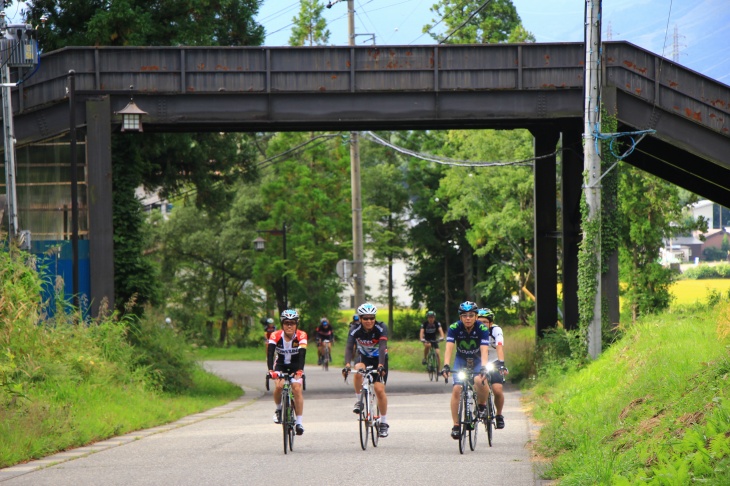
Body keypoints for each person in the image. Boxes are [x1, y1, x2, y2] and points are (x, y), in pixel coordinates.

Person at [440, 301, 491, 440]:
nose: (468, 318)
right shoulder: (454, 327)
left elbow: (484, 350)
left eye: (471, 315)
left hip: (477, 360)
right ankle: (456, 425)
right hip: (461, 360)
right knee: (457, 388)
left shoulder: (482, 328)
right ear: (460, 317)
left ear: (476, 316)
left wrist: (484, 367)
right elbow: (449, 348)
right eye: (464, 315)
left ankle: (481, 405)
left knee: (479, 379)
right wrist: (446, 365)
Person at [342, 302, 390, 438]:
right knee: (357, 370)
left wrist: (380, 366)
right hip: (363, 357)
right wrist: (347, 364)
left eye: (371, 318)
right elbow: (349, 346)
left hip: (380, 359)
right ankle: (359, 400)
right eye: (365, 318)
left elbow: (382, 347)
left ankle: (384, 423)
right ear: (360, 319)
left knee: (379, 390)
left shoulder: (381, 328)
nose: (369, 321)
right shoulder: (354, 329)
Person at [267, 309, 308, 436]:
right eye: (286, 323)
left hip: (296, 365)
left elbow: (302, 355)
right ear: (282, 324)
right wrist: (271, 371)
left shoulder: (301, 335)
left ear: (297, 324)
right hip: (280, 365)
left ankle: (299, 422)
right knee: (279, 386)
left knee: (296, 389)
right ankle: (279, 410)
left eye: (292, 323)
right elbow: (270, 354)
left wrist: (300, 370)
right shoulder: (275, 335)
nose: (289, 326)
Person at [477, 307, 509, 429]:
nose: (482, 324)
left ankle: (499, 415)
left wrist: (501, 363)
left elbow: (499, 347)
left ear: (490, 323)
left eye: (485, 322)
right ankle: (481, 405)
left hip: (494, 361)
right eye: (479, 321)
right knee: (479, 383)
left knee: (497, 389)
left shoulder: (496, 330)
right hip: (480, 361)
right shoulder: (474, 331)